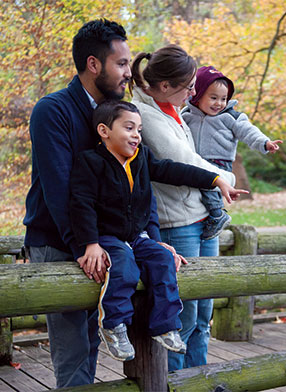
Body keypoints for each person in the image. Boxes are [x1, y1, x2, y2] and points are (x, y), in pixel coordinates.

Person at [22, 19, 169, 387]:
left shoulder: (119, 115)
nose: (128, 73)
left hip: (110, 244)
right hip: (59, 243)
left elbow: (139, 184)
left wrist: (149, 237)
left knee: (109, 342)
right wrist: (85, 248)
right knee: (75, 354)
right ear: (93, 64)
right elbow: (59, 190)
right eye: (121, 64)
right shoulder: (52, 111)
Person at [69, 100, 247, 362]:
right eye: (129, 128)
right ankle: (114, 325)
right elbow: (80, 203)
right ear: (104, 131)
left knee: (163, 259)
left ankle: (165, 325)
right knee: (124, 266)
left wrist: (215, 180)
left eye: (139, 130)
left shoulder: (141, 157)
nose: (136, 135)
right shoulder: (90, 162)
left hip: (137, 236)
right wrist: (90, 243)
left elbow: (172, 170)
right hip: (107, 237)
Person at [130, 44, 237, 371]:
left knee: (204, 314)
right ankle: (175, 382)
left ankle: (199, 378)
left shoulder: (171, 107)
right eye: (188, 86)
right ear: (164, 86)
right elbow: (182, 161)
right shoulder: (146, 114)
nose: (194, 92)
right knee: (184, 317)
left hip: (202, 219)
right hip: (178, 224)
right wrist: (225, 177)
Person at [182, 65, 283, 240]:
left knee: (208, 184)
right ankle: (207, 216)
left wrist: (264, 143)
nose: (219, 103)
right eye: (213, 98)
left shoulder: (231, 117)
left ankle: (217, 215)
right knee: (196, 185)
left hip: (219, 161)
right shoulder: (186, 115)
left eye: (223, 98)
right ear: (197, 95)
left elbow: (248, 131)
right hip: (196, 159)